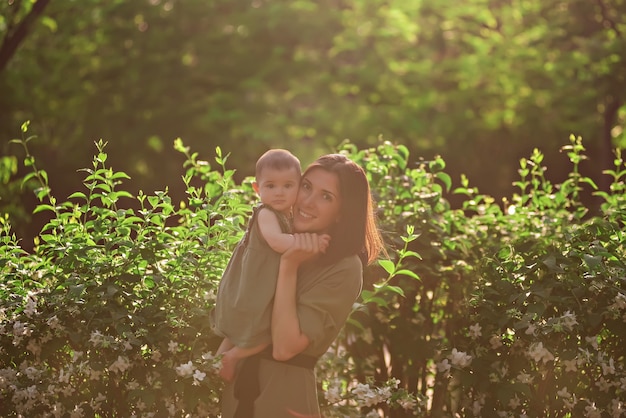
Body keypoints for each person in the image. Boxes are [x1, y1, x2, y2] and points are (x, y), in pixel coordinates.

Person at [220, 153, 385, 418]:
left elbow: (285, 347)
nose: (307, 201)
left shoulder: (344, 267)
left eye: (326, 196)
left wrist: (289, 266)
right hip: (236, 395)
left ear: (342, 212)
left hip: (283, 400)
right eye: (306, 186)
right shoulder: (278, 238)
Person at [212, 149, 330, 382]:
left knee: (238, 332)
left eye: (288, 186)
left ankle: (213, 367)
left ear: (299, 186)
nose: (279, 193)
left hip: (257, 287)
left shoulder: (285, 214)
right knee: (267, 333)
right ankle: (233, 357)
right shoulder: (266, 214)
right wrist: (308, 242)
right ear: (257, 189)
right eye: (271, 186)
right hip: (253, 288)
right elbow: (277, 242)